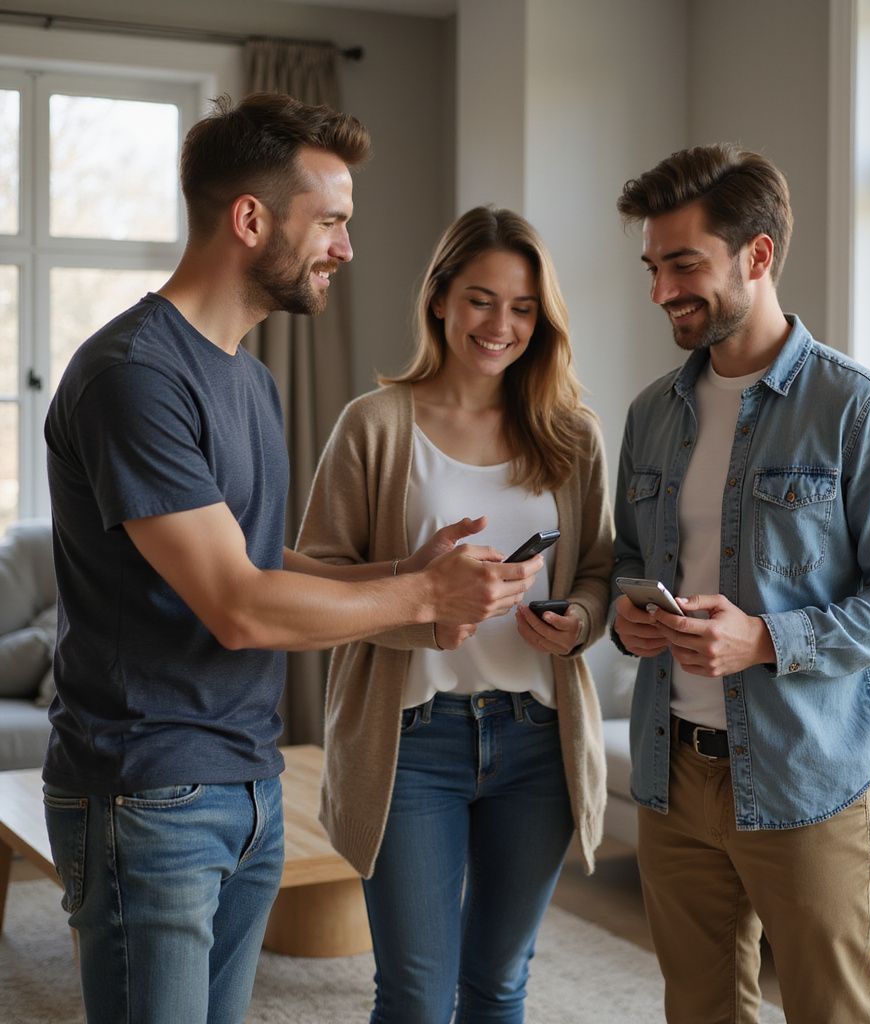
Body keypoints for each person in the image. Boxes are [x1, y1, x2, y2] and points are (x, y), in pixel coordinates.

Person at [41, 94, 542, 1024]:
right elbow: (240, 606)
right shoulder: (134, 376)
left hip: (246, 779)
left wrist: (399, 570)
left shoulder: (248, 376)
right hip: (147, 791)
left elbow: (257, 557)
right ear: (249, 219)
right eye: (333, 222)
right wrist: (419, 595)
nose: (346, 249)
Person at [609, 144, 870, 1024]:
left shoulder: (858, 409)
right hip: (671, 771)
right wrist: (626, 616)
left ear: (756, 257)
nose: (660, 292)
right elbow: (628, 562)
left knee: (831, 1012)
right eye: (653, 268)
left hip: (811, 778)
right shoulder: (652, 413)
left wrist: (766, 639)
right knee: (699, 1009)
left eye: (683, 265)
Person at [296, 205, 613, 1024]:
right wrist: (421, 595)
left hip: (539, 738)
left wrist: (577, 619)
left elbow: (603, 570)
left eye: (522, 307)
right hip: (413, 740)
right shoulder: (373, 426)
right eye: (480, 299)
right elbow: (311, 581)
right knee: (414, 994)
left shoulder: (572, 436)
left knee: (500, 985)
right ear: (440, 299)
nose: (499, 325)